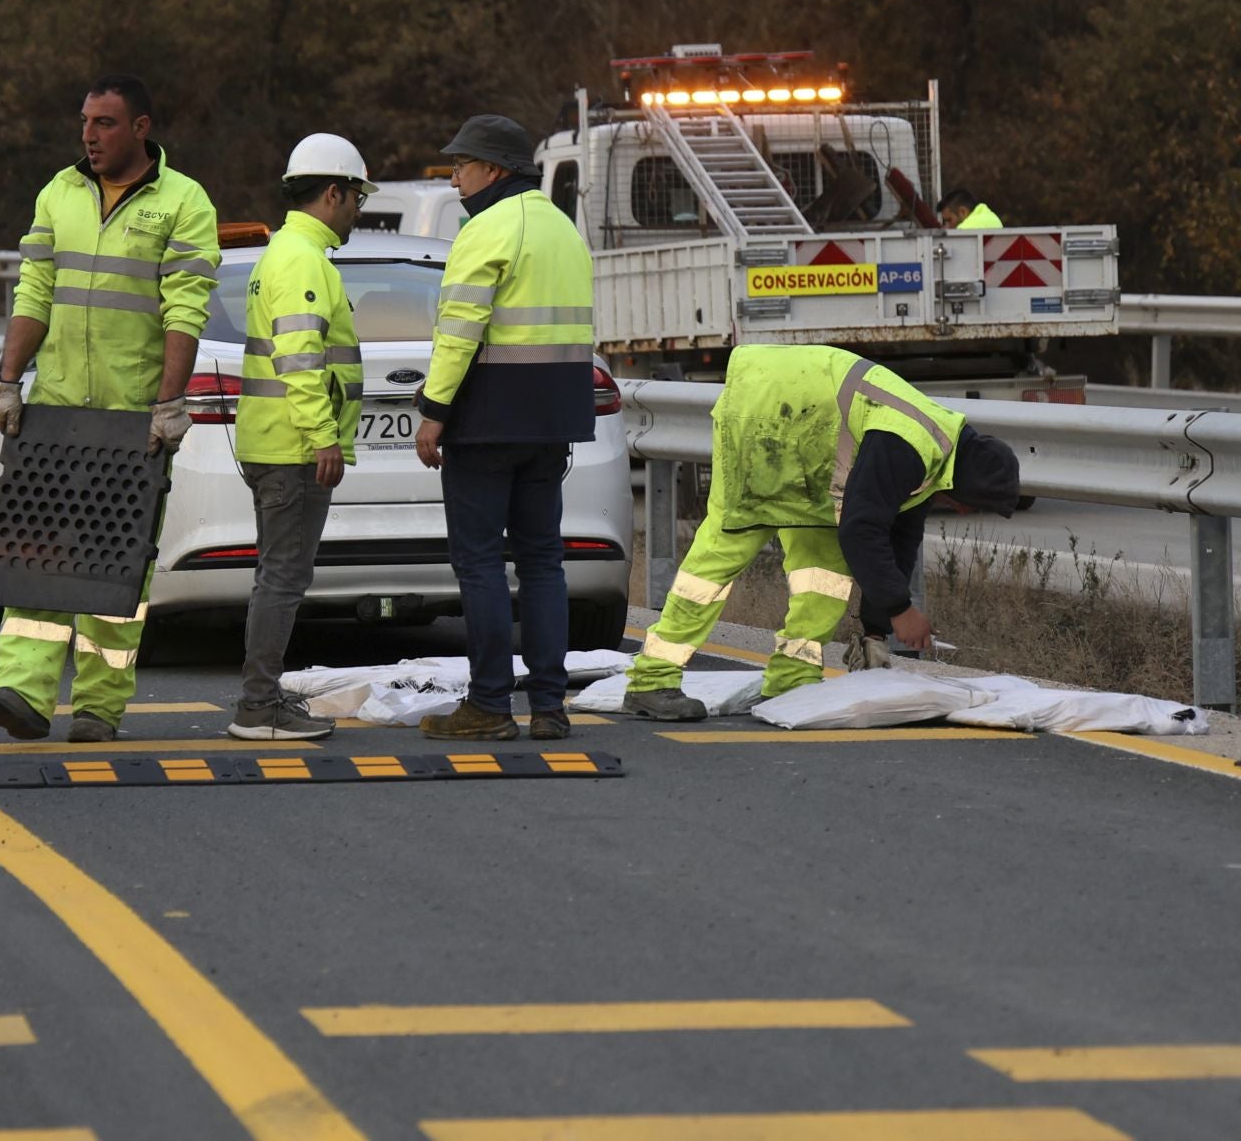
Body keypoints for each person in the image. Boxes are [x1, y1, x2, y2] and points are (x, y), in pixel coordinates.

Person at [0, 74, 220, 743]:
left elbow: (184, 310)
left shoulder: (183, 203)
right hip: (54, 411)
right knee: (35, 553)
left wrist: (168, 405)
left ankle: (100, 709)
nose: (89, 134)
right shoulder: (59, 193)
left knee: (114, 568)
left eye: (105, 123)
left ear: (141, 128)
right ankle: (22, 692)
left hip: (131, 419)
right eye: (85, 121)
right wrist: (8, 380)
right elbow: (34, 292)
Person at [622, 343, 1022, 720]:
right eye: (974, 504)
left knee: (824, 571)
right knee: (726, 549)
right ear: (970, 484)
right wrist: (902, 611)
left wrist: (876, 630)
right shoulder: (908, 445)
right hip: (768, 411)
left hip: (809, 439)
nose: (966, 511)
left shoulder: (936, 455)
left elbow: (897, 543)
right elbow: (862, 530)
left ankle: (792, 680)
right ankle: (652, 678)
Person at [413, 114, 597, 742]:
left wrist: (434, 411)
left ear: (492, 170)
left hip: (488, 420)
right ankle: (550, 706)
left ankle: (490, 705)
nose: (455, 179)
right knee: (544, 562)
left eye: (462, 166)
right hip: (553, 421)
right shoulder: (564, 230)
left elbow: (460, 329)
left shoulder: (486, 228)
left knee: (482, 563)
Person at [226, 134, 374, 741]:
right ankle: (259, 706)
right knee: (283, 580)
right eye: (357, 198)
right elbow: (300, 359)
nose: (359, 211)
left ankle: (262, 700)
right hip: (291, 449)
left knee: (276, 576)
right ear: (333, 192)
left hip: (276, 444)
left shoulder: (287, 253)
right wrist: (323, 438)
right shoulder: (302, 261)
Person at [937, 188, 1002, 229]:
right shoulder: (991, 217)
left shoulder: (964, 229)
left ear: (963, 212)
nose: (947, 227)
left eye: (949, 220)